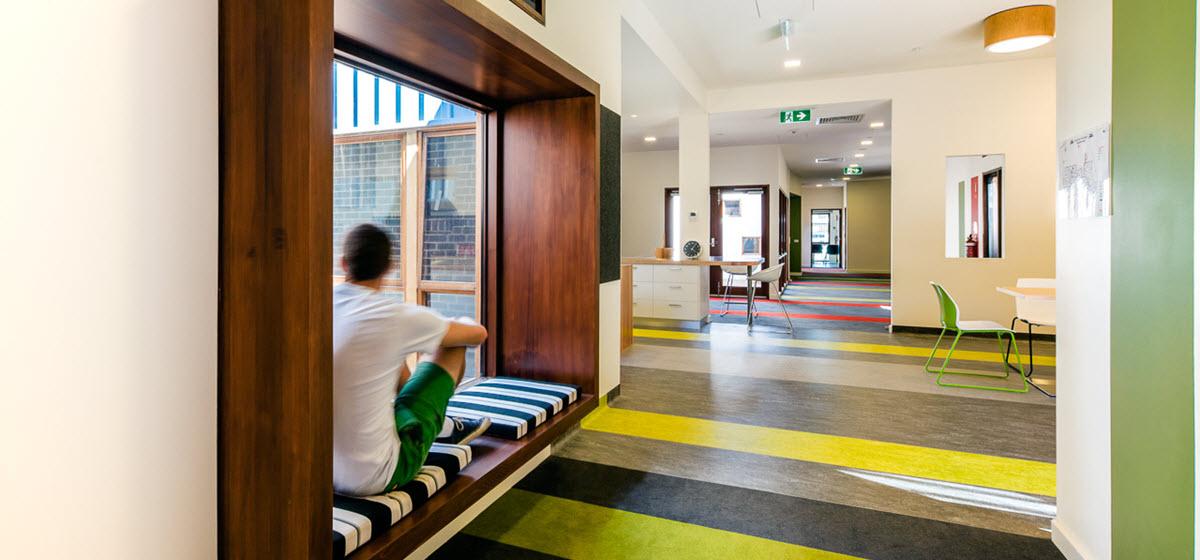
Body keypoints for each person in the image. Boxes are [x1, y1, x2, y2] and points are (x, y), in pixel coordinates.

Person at [332, 223, 490, 497]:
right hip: (376, 475)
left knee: (386, 354)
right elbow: (478, 335)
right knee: (452, 345)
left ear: (343, 263)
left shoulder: (320, 304)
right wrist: (456, 322)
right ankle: (441, 425)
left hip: (323, 472)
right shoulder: (393, 314)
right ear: (388, 268)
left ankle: (436, 424)